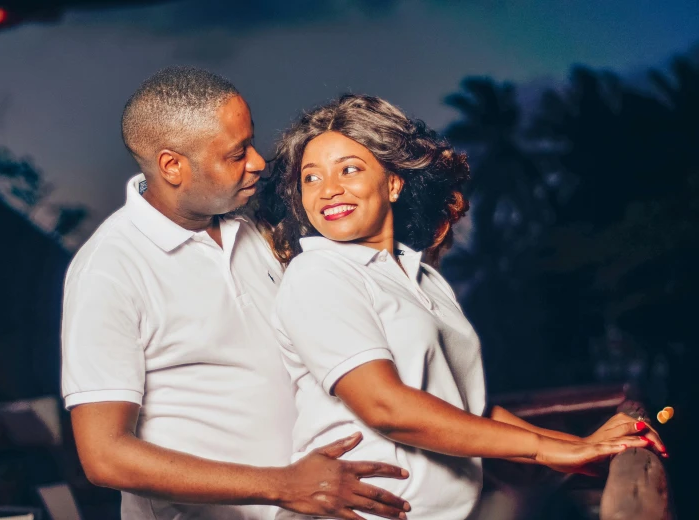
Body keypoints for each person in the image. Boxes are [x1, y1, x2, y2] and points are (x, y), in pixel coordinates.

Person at [267, 94, 666, 520]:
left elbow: (465, 406)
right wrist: (549, 447)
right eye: (311, 178)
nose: (329, 190)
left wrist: (576, 446)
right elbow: (386, 407)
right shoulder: (319, 272)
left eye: (350, 169)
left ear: (393, 183)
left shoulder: (422, 275)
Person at [61, 68, 413, 520]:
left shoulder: (250, 232)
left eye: (251, 141)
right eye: (235, 154)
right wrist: (281, 485)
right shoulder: (109, 268)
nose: (258, 162)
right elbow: (104, 456)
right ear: (172, 166)